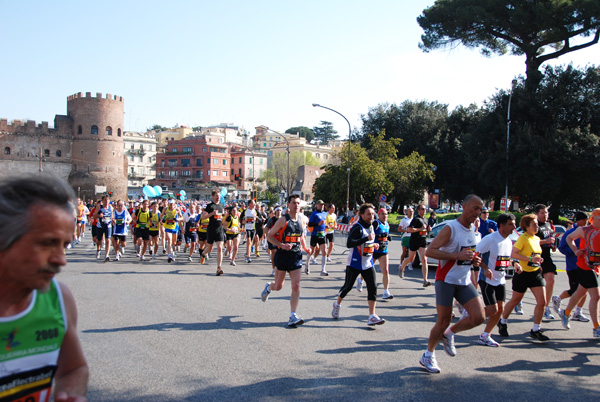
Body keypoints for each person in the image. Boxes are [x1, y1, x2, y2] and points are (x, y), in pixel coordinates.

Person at [0, 174, 89, 401]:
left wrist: (68, 394)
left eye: (65, 245)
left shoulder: (59, 298)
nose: (61, 260)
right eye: (47, 243)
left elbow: (73, 369)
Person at [419, 194, 485, 374]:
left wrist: (474, 262)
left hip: (463, 281)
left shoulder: (472, 229)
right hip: (446, 280)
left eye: (480, 209)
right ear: (464, 207)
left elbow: (468, 254)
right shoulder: (451, 228)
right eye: (475, 208)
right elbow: (430, 252)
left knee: (479, 317)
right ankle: (428, 355)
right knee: (443, 320)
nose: (478, 213)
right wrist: (457, 256)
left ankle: (449, 334)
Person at [331, 203, 386, 326]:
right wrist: (366, 239)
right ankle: (337, 304)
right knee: (347, 287)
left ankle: (372, 315)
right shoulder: (358, 227)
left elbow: (368, 243)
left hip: (368, 263)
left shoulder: (372, 226)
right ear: (362, 215)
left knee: (373, 287)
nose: (371, 216)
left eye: (372, 214)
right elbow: (350, 243)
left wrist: (374, 245)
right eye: (368, 214)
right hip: (354, 264)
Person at [261, 195, 311, 327]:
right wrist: (282, 245)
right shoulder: (283, 220)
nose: (296, 206)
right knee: (278, 286)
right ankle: (269, 287)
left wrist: (305, 248)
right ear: (288, 204)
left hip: (296, 256)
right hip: (283, 255)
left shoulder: (302, 220)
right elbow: (270, 236)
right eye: (294, 203)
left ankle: (292, 315)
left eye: (298, 203)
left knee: (296, 285)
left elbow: (301, 236)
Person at [498, 214, 550, 341]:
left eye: (537, 224)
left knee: (542, 302)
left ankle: (536, 329)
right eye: (534, 224)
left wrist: (538, 262)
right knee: (515, 300)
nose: (537, 226)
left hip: (535, 273)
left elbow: (535, 254)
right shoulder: (523, 238)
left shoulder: (536, 239)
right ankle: (503, 321)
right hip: (523, 273)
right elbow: (513, 254)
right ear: (526, 226)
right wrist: (530, 259)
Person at [475, 213, 520, 347]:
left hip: (500, 279)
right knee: (493, 310)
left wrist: (515, 263)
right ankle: (471, 312)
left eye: (514, 223)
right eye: (511, 224)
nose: (514, 227)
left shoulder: (508, 241)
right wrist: (485, 268)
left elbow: (504, 259)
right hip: (487, 279)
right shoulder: (490, 239)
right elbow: (475, 255)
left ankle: (485, 336)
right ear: (502, 226)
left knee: (500, 309)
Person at [559, 208, 600, 339]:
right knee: (596, 296)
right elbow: (569, 238)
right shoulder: (584, 230)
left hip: (596, 267)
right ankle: (596, 327)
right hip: (584, 266)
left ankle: (566, 313)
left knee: (580, 292)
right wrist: (575, 250)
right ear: (594, 218)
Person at [553, 211, 590, 322]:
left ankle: (578, 312)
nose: (586, 222)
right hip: (573, 266)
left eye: (586, 220)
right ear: (579, 221)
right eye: (584, 220)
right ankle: (558, 299)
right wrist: (574, 251)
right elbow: (562, 247)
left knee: (585, 290)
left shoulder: (588, 232)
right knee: (575, 290)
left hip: (586, 266)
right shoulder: (571, 232)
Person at [534, 204, 559, 320]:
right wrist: (546, 241)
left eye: (546, 212)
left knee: (551, 280)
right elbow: (531, 242)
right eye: (543, 213)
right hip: (534, 257)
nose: (545, 215)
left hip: (547, 257)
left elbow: (549, 240)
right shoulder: (534, 225)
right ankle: (518, 302)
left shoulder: (548, 225)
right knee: (529, 284)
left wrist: (552, 245)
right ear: (537, 214)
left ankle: (545, 307)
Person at [399, 204, 430, 285]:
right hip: (414, 241)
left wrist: (428, 230)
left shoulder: (426, 220)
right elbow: (409, 229)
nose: (424, 210)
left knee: (424, 260)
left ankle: (425, 280)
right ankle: (402, 267)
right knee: (411, 259)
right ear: (419, 211)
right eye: (422, 209)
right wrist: (420, 229)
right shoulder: (416, 219)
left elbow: (425, 231)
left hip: (422, 241)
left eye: (425, 209)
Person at [200, 190, 226, 275]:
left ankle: (219, 268)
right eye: (216, 195)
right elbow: (203, 217)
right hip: (211, 230)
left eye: (219, 195)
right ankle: (203, 253)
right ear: (213, 196)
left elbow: (222, 216)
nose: (218, 197)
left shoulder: (222, 206)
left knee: (219, 247)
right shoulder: (209, 206)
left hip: (219, 230)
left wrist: (224, 215)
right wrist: (212, 213)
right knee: (210, 248)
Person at [373, 208, 393, 300]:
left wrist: (387, 237)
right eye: (382, 214)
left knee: (386, 270)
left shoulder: (387, 224)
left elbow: (386, 233)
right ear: (379, 214)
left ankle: (386, 291)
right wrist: (378, 236)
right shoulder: (376, 223)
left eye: (386, 214)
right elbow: (370, 234)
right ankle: (360, 280)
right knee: (367, 269)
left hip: (383, 250)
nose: (385, 216)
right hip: (374, 250)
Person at [306, 199, 329, 276]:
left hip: (322, 234)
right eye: (320, 205)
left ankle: (323, 270)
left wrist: (325, 226)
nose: (322, 206)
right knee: (311, 251)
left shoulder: (325, 214)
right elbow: (309, 224)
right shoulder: (314, 214)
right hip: (315, 234)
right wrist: (318, 224)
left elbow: (324, 223)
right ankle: (307, 265)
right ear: (317, 205)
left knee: (324, 251)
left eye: (323, 205)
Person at [93, 195, 113, 262]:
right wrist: (99, 215)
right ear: (102, 201)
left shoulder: (111, 207)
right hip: (100, 226)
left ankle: (107, 255)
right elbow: (94, 216)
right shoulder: (99, 207)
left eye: (107, 200)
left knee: (108, 240)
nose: (106, 201)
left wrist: (113, 220)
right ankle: (98, 250)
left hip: (108, 226)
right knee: (99, 240)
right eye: (105, 200)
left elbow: (112, 216)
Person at [398, 207, 414, 272]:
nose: (411, 213)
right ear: (407, 212)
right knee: (404, 252)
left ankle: (409, 264)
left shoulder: (414, 220)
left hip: (412, 238)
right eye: (410, 211)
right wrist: (406, 230)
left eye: (412, 211)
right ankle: (401, 263)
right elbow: (399, 229)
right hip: (405, 237)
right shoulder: (404, 220)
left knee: (411, 252)